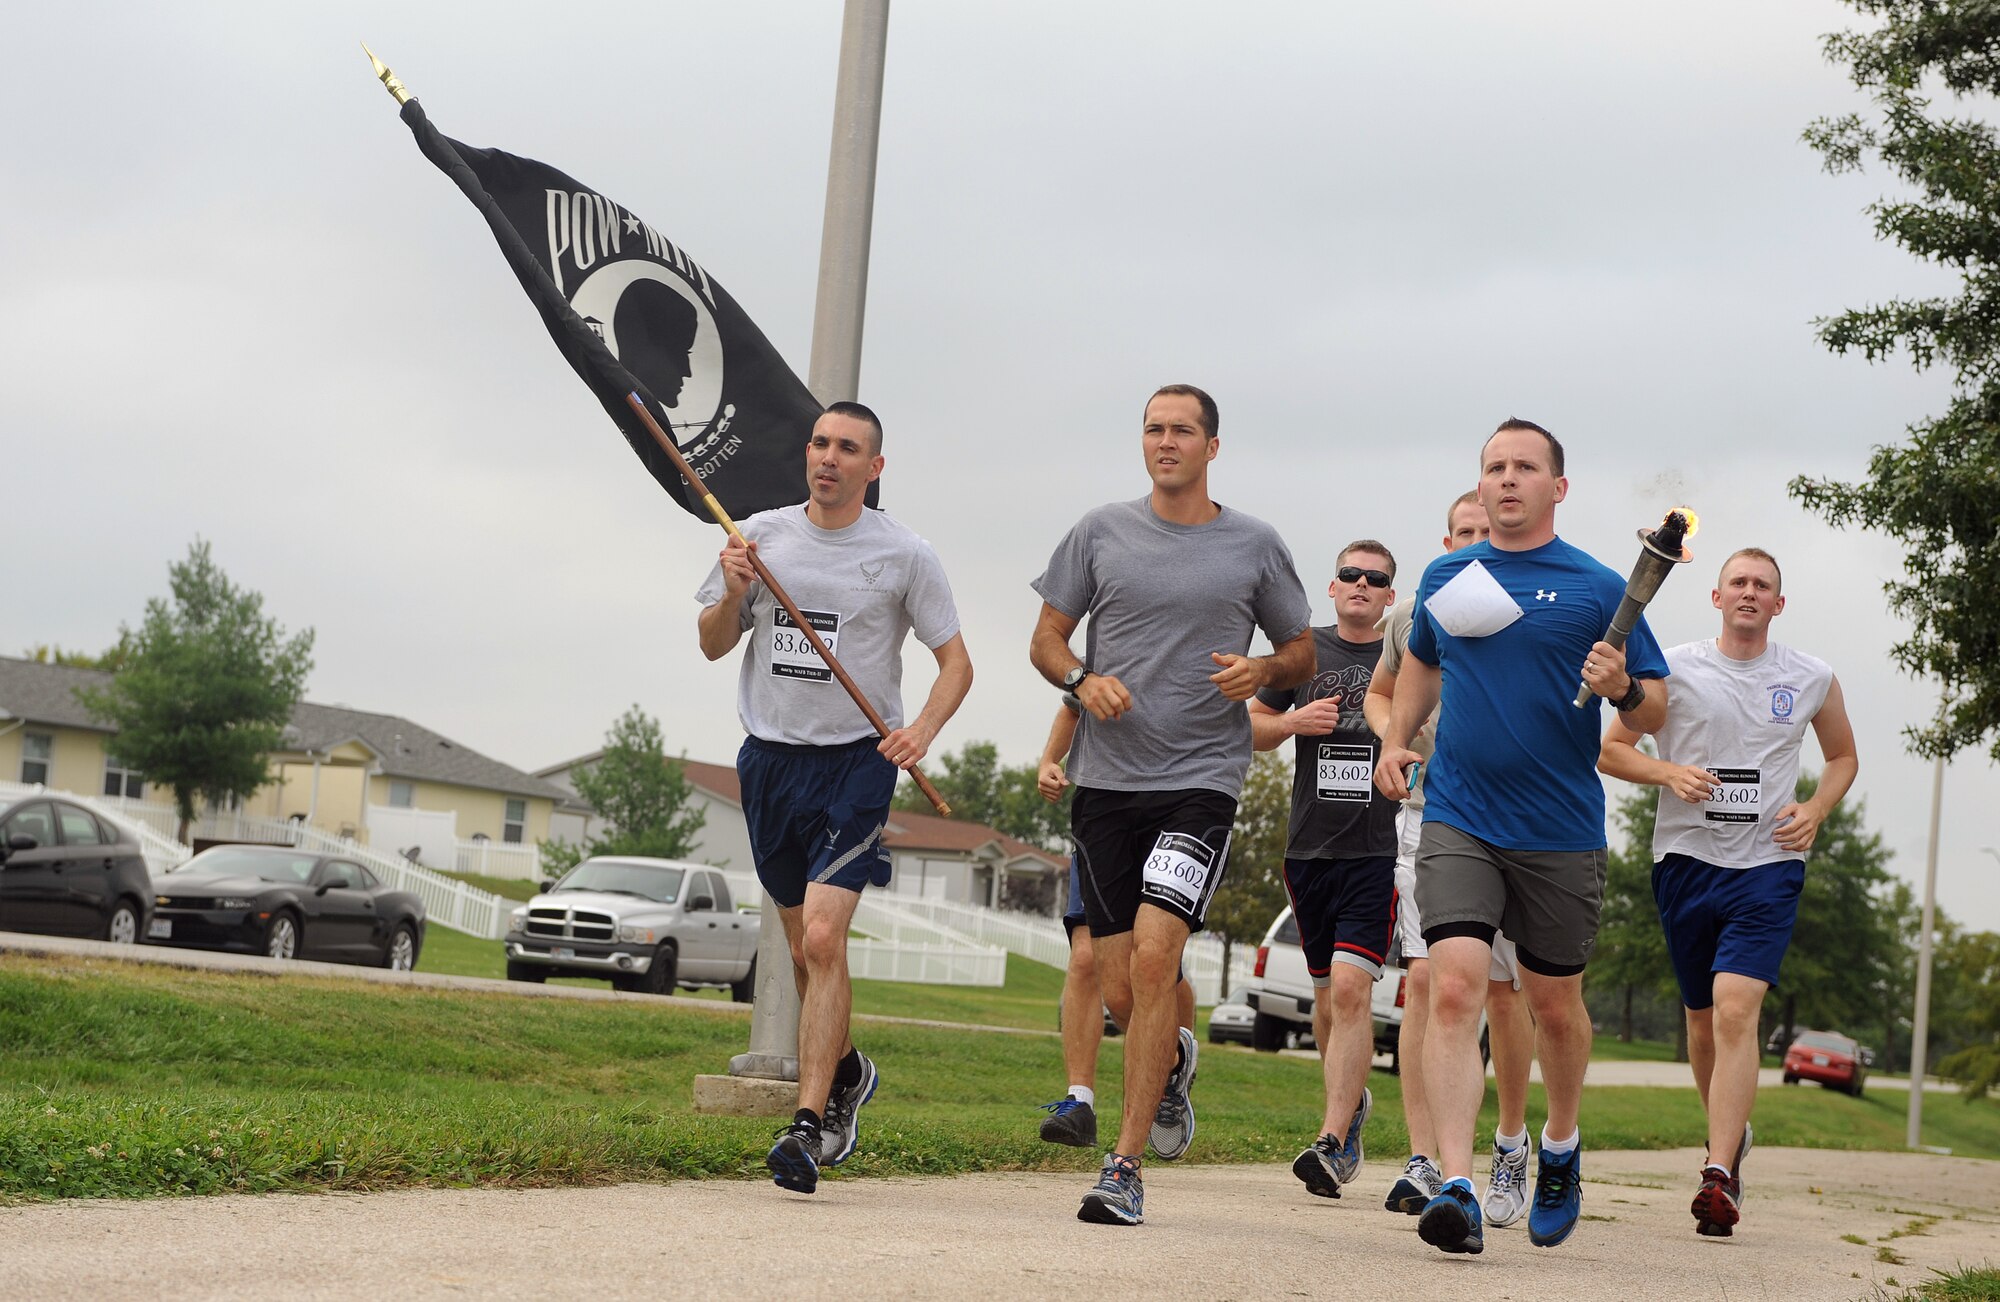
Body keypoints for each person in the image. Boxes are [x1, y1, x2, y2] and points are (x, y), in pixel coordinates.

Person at [1374, 418, 1669, 1255]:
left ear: (1557, 487)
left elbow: (1655, 711)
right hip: (1459, 814)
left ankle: (1563, 1146)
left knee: (1554, 1006)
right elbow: (1423, 661)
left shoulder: (1598, 588)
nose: (1507, 479)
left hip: (1558, 829)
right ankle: (1459, 1185)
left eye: (1525, 467)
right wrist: (1400, 738)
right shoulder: (1448, 573)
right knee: (1455, 988)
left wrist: (1622, 689)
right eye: (1495, 466)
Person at [1030, 383, 1313, 1225]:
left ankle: (1123, 1168)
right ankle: (1173, 1058)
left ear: (1211, 447)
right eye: (1153, 429)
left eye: (1181, 430)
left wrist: (1262, 673)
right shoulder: (1099, 531)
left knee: (1157, 959)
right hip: (1107, 782)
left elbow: (1300, 648)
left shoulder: (1254, 544)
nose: (1165, 442)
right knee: (1119, 986)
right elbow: (1046, 640)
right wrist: (1083, 678)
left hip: (1200, 779)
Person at [696, 401, 974, 1196]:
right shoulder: (759, 536)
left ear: (874, 468)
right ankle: (848, 1070)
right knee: (799, 950)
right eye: (819, 442)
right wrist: (731, 592)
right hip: (770, 763)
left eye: (847, 448)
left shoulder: (904, 554)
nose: (828, 457)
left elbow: (956, 664)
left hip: (855, 764)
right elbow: (714, 644)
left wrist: (918, 729)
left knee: (823, 940)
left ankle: (806, 1125)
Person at [1599, 547, 1857, 1237]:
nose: (1749, 592)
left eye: (1762, 586)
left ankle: (1718, 1170)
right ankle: (1730, 1137)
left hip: (1768, 865)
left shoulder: (1811, 677)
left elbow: (1843, 757)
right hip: (1685, 859)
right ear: (1716, 599)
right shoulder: (1674, 668)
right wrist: (1669, 775)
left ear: (1779, 604)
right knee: (1701, 1022)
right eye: (1737, 583)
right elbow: (1611, 748)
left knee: (1736, 1007)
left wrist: (1817, 809)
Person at [1364, 492, 1538, 1228]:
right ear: (1448, 540)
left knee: (1506, 994)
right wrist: (1393, 738)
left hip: (1519, 823)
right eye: (1462, 534)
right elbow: (1380, 693)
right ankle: (1428, 1157)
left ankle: (1512, 1140)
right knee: (1431, 982)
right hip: (1430, 816)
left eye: (1484, 534)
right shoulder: (1416, 614)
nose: (1475, 543)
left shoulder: (1530, 608)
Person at [1247, 540, 1402, 1200]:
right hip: (1307, 848)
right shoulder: (1303, 651)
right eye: (1350, 575)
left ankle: (1331, 1139)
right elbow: (1249, 723)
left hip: (1373, 848)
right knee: (1324, 998)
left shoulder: (1405, 659)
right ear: (1333, 587)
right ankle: (1351, 1107)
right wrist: (1291, 721)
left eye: (1376, 579)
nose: (1361, 584)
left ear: (1391, 597)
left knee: (1349, 989)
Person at [1034, 704, 1199, 1149]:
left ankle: (1171, 1064)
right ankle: (1079, 1101)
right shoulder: (1105, 645)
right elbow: (1071, 707)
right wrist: (1051, 761)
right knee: (1086, 958)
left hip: (1173, 812)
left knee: (1154, 966)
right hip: (1104, 812)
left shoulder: (1197, 645)